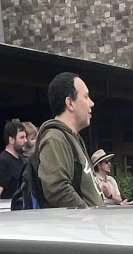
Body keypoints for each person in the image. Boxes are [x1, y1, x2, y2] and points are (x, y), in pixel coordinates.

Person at [34, 73, 103, 209]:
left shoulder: (72, 138)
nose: (92, 103)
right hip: (82, 222)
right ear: (70, 103)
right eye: (86, 97)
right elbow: (57, 189)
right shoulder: (55, 138)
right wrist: (87, 215)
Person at [0, 119, 28, 200]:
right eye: (22, 137)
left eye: (25, 137)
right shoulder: (3, 162)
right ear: (11, 140)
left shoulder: (20, 159)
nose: (25, 140)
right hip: (10, 206)